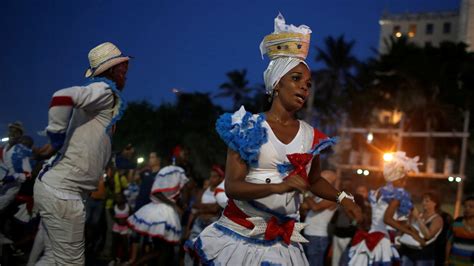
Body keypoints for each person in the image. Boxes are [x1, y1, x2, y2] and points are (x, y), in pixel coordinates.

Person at [189, 13, 361, 265]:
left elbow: (314, 181)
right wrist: (279, 186)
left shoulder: (310, 135)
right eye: (296, 79)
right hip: (240, 238)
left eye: (308, 83)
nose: (304, 87)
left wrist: (342, 198)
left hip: (283, 243)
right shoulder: (247, 126)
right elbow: (232, 186)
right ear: (276, 84)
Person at [33, 42, 130, 265]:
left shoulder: (99, 98)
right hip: (63, 193)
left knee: (53, 259)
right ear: (114, 70)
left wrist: (54, 145)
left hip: (59, 189)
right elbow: (61, 97)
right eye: (123, 67)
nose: (126, 71)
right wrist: (55, 135)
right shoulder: (105, 89)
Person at [348, 151, 423, 266]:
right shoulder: (397, 194)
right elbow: (387, 219)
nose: (405, 183)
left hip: (370, 236)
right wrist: (412, 233)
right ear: (399, 179)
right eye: (405, 179)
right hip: (382, 240)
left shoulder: (378, 192)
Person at [127, 164, 189, 264]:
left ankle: (135, 263)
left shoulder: (174, 183)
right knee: (164, 250)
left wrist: (179, 202)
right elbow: (156, 193)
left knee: (162, 250)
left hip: (164, 213)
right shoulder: (173, 174)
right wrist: (174, 204)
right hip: (162, 214)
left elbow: (182, 200)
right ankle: (135, 263)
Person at [184, 165, 225, 265]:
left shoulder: (222, 193)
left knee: (208, 253)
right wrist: (188, 228)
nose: (211, 179)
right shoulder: (202, 191)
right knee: (190, 248)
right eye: (211, 176)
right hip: (198, 222)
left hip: (212, 224)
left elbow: (216, 209)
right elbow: (194, 206)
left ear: (221, 178)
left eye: (215, 176)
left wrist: (201, 207)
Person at [301, 170, 337, 266]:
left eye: (321, 178)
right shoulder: (319, 194)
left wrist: (305, 193)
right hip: (309, 234)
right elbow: (304, 206)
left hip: (318, 236)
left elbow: (315, 207)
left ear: (329, 181)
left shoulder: (333, 196)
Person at [399, 192, 443, 266]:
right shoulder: (419, 214)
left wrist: (418, 218)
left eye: (427, 201)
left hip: (424, 256)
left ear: (434, 203)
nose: (423, 203)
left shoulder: (437, 219)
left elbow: (428, 235)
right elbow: (411, 230)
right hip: (408, 252)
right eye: (422, 201)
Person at [446, 195, 474, 266]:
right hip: (454, 262)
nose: (467, 209)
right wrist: (446, 259)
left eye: (471, 207)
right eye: (465, 206)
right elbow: (449, 242)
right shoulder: (457, 222)